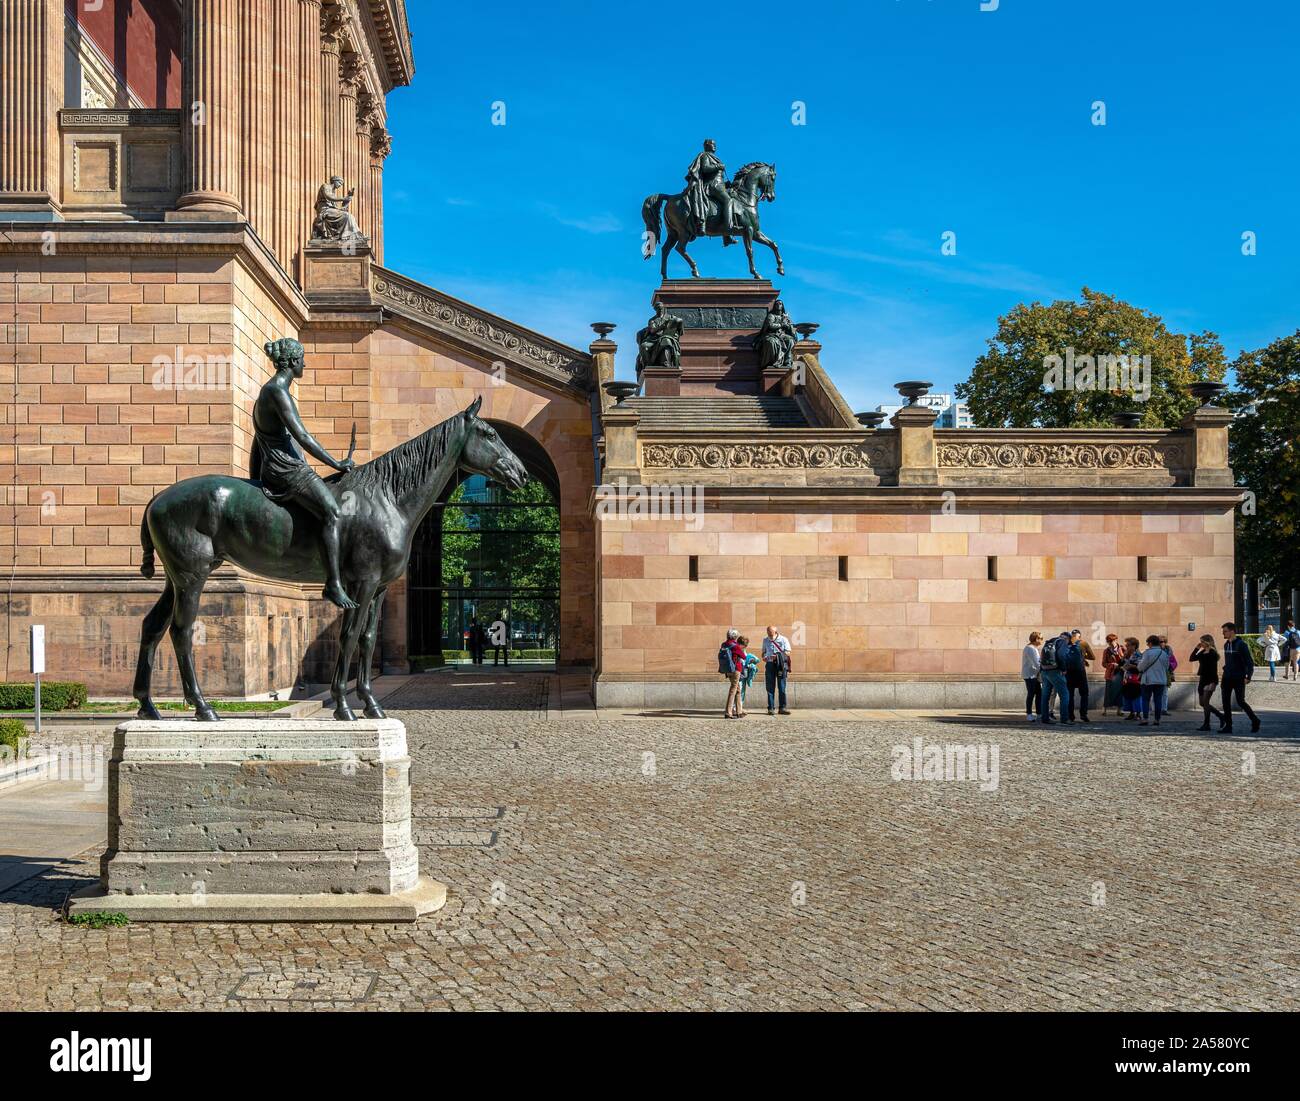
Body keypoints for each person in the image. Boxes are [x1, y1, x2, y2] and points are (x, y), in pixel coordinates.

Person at [250, 337, 357, 608]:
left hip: (277, 466)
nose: (305, 364)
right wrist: (337, 464)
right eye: (303, 359)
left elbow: (257, 441)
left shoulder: (270, 390)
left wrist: (256, 475)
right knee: (332, 511)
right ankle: (333, 584)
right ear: (294, 362)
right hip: (287, 470)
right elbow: (304, 437)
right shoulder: (277, 391)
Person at [684, 139, 737, 245]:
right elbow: (705, 169)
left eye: (715, 144)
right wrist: (719, 166)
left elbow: (718, 177)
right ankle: (727, 230)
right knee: (728, 200)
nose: (714, 146)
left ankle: (726, 236)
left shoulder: (714, 157)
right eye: (712, 144)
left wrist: (727, 184)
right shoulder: (705, 156)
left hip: (719, 185)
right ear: (706, 146)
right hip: (712, 186)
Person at [1220, 622, 1260, 733]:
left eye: (1225, 631)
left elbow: (1249, 662)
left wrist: (1248, 676)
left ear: (1232, 631)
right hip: (1227, 677)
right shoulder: (1226, 644)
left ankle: (1255, 720)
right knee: (1225, 702)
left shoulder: (1241, 645)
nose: (1223, 633)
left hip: (1238, 677)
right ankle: (1228, 726)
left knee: (1240, 701)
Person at [1189, 635, 1225, 731]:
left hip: (1211, 679)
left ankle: (1206, 724)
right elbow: (1192, 658)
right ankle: (1221, 716)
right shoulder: (1202, 652)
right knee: (1202, 703)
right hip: (1203, 678)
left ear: (1207, 642)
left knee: (1205, 702)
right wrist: (1197, 648)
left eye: (1202, 642)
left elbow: (1213, 669)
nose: (1201, 643)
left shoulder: (1213, 653)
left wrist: (1214, 682)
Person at [1137, 633, 1170, 727]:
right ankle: (1157, 720)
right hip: (1160, 680)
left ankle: (1145, 719)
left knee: (1146, 700)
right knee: (1158, 700)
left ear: (1151, 643)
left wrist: (1139, 666)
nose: (1147, 645)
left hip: (1148, 680)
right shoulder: (1163, 653)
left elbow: (1140, 667)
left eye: (1148, 643)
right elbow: (1167, 667)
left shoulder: (1147, 653)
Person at [1038, 630, 1069, 726]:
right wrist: (1063, 669)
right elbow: (1061, 655)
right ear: (1067, 638)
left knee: (1045, 696)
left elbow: (1042, 657)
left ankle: (1045, 718)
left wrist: (1041, 670)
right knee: (1065, 695)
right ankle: (1064, 719)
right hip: (1055, 671)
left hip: (1045, 671)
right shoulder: (1062, 642)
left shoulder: (1049, 642)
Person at [762, 625, 792, 715]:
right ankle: (770, 708)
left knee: (782, 687)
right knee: (770, 687)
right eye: (768, 633)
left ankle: (782, 707)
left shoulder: (783, 639)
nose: (769, 635)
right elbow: (763, 652)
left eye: (770, 633)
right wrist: (764, 657)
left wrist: (777, 656)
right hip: (770, 665)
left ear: (775, 632)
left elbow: (788, 652)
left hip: (780, 665)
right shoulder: (765, 640)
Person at [1065, 629, 1091, 724]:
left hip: (1069, 673)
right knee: (1084, 694)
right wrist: (1083, 656)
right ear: (1080, 636)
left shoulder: (1066, 644)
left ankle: (1070, 715)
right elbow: (1092, 656)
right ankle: (1083, 714)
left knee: (1070, 695)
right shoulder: (1083, 643)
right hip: (1080, 672)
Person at [719, 628, 746, 718]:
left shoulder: (724, 644)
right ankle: (728, 712)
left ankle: (739, 711)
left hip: (728, 669)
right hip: (736, 669)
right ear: (735, 636)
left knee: (737, 690)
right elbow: (743, 656)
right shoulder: (735, 646)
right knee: (733, 690)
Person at [1101, 633, 1126, 715]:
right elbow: (1104, 663)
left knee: (1120, 692)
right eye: (1109, 641)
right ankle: (1104, 710)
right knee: (1108, 691)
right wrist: (1112, 665)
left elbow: (1126, 660)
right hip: (1110, 673)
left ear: (1116, 640)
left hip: (1120, 672)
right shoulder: (1106, 651)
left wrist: (1120, 656)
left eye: (1112, 641)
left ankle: (1119, 710)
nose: (1111, 643)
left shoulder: (1122, 648)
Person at [1021, 632, 1043, 721]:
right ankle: (1029, 714)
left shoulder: (1032, 648)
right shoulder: (1031, 649)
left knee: (1039, 694)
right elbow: (1037, 663)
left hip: (1034, 674)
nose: (1042, 640)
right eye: (1041, 638)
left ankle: (1039, 713)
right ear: (1036, 639)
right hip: (1031, 675)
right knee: (1031, 694)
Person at [1121, 639, 1143, 721]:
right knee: (1128, 695)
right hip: (1128, 678)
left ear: (1134, 646)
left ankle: (1138, 714)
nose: (1126, 647)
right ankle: (1131, 713)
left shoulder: (1138, 654)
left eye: (1128, 645)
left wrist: (1130, 666)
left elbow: (1140, 666)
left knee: (1136, 696)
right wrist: (1123, 658)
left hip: (1136, 678)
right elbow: (1122, 663)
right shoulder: (1127, 654)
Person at [737, 636, 760, 710]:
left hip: (743, 674)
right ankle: (736, 708)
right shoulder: (736, 650)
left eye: (745, 646)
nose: (744, 647)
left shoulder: (745, 653)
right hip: (738, 673)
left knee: (742, 691)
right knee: (738, 691)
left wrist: (751, 661)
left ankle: (739, 707)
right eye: (743, 646)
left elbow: (756, 660)